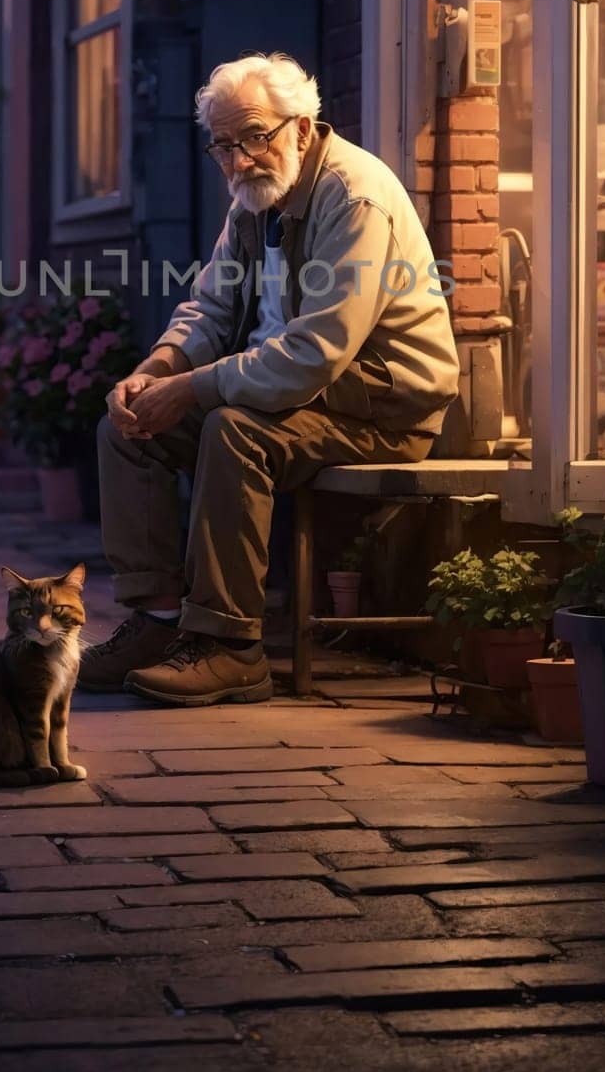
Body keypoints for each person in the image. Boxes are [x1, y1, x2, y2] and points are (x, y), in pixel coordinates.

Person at [79, 52, 460, 705]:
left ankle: (231, 648)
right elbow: (210, 307)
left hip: (381, 405)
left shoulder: (354, 196)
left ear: (302, 129)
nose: (239, 159)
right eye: (224, 145)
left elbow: (319, 351)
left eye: (255, 137)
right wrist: (158, 370)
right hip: (288, 395)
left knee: (234, 431)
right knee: (128, 430)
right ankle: (161, 620)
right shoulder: (255, 199)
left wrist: (198, 387)